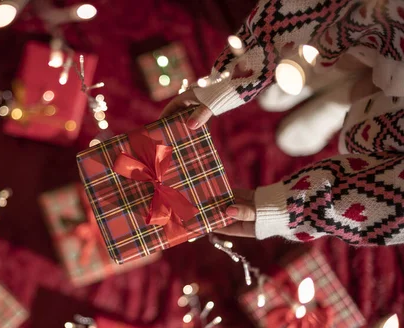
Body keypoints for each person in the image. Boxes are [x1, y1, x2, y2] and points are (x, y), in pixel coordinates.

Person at [160, 0, 404, 245]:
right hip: (371, 25)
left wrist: (302, 210)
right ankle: (325, 69)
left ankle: (344, 98)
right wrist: (238, 76)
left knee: (376, 89)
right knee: (364, 34)